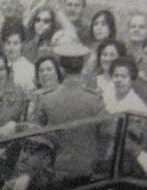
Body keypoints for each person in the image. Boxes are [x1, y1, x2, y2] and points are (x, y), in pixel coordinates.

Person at [29, 40, 106, 178]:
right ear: (82, 68)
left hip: (56, 172)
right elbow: (107, 136)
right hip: (88, 173)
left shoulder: (46, 98)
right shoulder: (94, 99)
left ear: (61, 68)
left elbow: (35, 137)